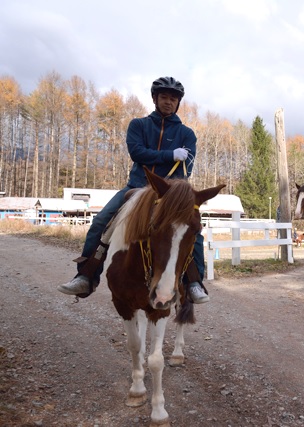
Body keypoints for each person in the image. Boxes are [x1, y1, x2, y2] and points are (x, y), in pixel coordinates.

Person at [58, 76, 209, 304]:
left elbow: (187, 168)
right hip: (136, 188)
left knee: (192, 230)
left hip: (168, 195)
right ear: (155, 99)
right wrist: (170, 155)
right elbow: (137, 153)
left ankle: (195, 282)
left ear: (178, 103)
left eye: (173, 99)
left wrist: (176, 179)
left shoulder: (187, 134)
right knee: (101, 222)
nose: (168, 102)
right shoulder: (138, 125)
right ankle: (86, 276)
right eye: (164, 97)